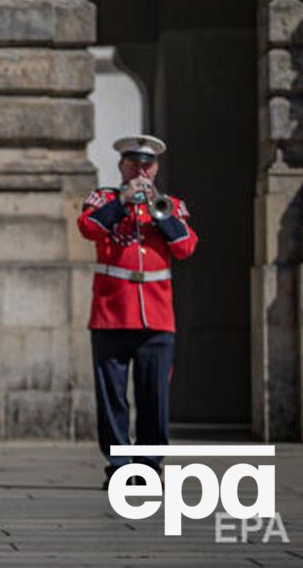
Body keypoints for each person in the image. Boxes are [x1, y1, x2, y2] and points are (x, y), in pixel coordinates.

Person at [77, 134, 197, 489]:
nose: (141, 171)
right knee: (112, 399)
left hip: (156, 318)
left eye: (148, 165)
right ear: (122, 166)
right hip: (111, 314)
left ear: (156, 168)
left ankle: (148, 467)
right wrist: (122, 203)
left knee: (154, 399)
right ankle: (118, 467)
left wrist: (161, 215)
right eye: (134, 164)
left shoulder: (171, 204)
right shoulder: (103, 199)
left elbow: (185, 247)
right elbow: (89, 229)